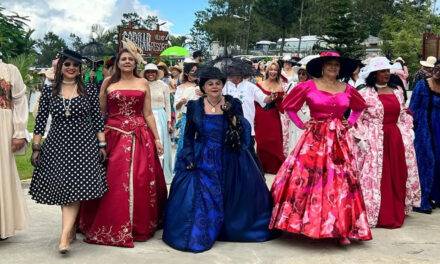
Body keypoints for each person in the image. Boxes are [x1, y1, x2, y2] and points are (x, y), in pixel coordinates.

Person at [163, 66, 273, 253]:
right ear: (203, 87)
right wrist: (188, 156)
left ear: (223, 85)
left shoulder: (233, 102)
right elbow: (189, 136)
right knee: (199, 195)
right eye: (210, 83)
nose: (214, 86)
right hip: (203, 155)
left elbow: (242, 131)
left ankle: (229, 226)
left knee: (233, 190)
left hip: (230, 154)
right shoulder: (195, 106)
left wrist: (231, 114)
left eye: (218, 83)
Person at [270, 51, 372, 245]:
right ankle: (305, 223)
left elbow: (359, 107)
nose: (333, 67)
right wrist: (301, 124)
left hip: (339, 142)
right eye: (329, 64)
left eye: (336, 65)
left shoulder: (347, 88)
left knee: (340, 182)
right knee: (310, 179)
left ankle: (341, 228)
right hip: (314, 139)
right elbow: (288, 106)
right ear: (322, 67)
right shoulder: (308, 86)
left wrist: (349, 122)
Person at [79, 46, 167, 248]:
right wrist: (95, 137)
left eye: (130, 59)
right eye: (123, 59)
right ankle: (109, 223)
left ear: (136, 63)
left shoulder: (143, 82)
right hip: (113, 134)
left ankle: (138, 225)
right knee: (111, 178)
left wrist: (156, 138)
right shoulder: (109, 82)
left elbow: (148, 114)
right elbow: (101, 112)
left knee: (141, 178)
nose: (127, 62)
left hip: (139, 135)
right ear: (117, 63)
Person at [29, 49, 107, 253]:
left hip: (83, 144)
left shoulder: (89, 89)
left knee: (74, 187)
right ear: (61, 68)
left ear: (80, 70)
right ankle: (70, 228)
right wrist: (36, 147)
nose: (71, 68)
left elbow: (98, 120)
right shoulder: (49, 91)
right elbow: (40, 121)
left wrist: (102, 144)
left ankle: (64, 236)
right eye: (67, 65)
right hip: (57, 144)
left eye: (75, 65)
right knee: (64, 186)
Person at [351, 57, 421, 228]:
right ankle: (378, 211)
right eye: (382, 71)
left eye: (387, 71)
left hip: (396, 137)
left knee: (397, 173)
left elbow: (404, 112)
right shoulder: (364, 93)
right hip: (374, 140)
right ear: (374, 74)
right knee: (377, 176)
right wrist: (360, 137)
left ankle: (398, 206)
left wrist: (407, 130)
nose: (386, 74)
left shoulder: (397, 90)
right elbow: (356, 117)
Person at [0, 57, 29, 240]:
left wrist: (19, 131)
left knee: (2, 172)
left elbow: (19, 100)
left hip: (2, 126)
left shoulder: (9, 70)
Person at [410, 61, 440, 214]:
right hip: (423, 128)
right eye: (437, 68)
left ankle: (436, 196)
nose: (438, 71)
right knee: (426, 161)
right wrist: (410, 128)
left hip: (438, 129)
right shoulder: (422, 85)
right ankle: (422, 199)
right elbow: (412, 108)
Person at [143, 63, 173, 183]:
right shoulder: (142, 84)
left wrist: (169, 121)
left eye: (153, 72)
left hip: (160, 115)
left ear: (156, 73)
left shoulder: (163, 85)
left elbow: (168, 104)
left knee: (161, 143)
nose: (151, 74)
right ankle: (149, 173)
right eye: (148, 72)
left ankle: (162, 174)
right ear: (145, 73)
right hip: (146, 116)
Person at [255, 61, 286, 174]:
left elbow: (282, 109)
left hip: (273, 115)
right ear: (267, 71)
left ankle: (275, 167)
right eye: (271, 69)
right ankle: (261, 166)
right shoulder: (259, 84)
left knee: (275, 140)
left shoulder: (280, 87)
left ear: (278, 72)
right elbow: (255, 102)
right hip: (261, 114)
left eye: (275, 70)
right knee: (261, 140)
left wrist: (281, 99)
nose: (273, 72)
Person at [174, 62, 200, 156]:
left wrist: (204, 94)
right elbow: (176, 107)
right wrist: (181, 102)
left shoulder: (203, 87)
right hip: (186, 119)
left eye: (196, 71)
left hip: (201, 119)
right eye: (192, 71)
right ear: (186, 73)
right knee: (185, 143)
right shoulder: (180, 88)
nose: (194, 73)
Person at [284, 65, 311, 154]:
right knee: (294, 137)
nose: (301, 76)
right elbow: (287, 102)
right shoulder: (292, 85)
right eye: (299, 73)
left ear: (308, 75)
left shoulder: (311, 87)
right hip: (294, 115)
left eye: (304, 74)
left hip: (306, 114)